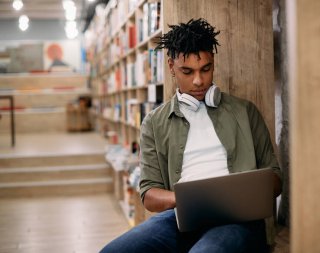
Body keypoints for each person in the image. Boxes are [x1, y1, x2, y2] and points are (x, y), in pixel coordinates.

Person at [100, 18, 282, 253]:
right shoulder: (155, 122)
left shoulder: (245, 112)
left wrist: (243, 193)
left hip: (237, 220)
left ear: (213, 64)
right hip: (179, 218)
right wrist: (189, 200)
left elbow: (276, 179)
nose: (198, 80)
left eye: (205, 69)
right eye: (187, 71)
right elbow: (149, 194)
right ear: (171, 67)